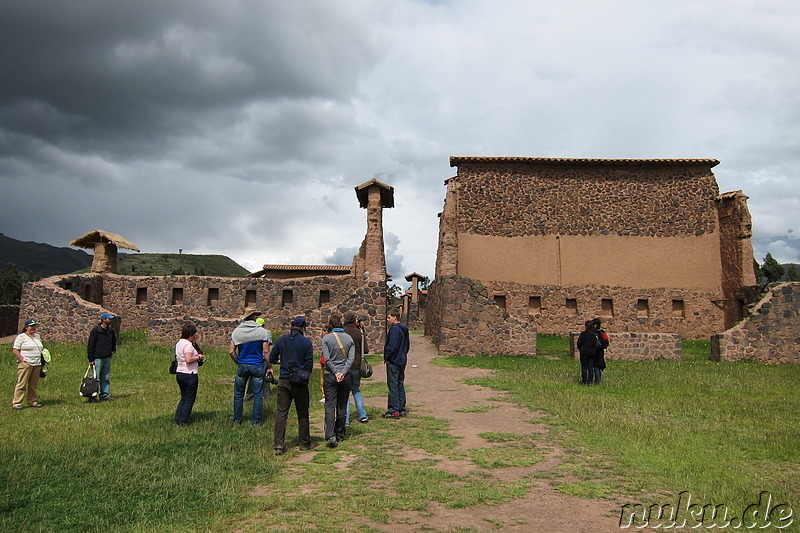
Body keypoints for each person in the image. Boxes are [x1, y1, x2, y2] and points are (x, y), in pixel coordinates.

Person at [269, 316, 315, 455]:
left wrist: (281, 362)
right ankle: (304, 443)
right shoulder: (306, 342)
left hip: (283, 380)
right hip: (299, 382)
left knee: (281, 413)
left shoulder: (281, 340)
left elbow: (271, 358)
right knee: (302, 412)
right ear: (303, 328)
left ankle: (278, 444)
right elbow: (309, 364)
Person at [228, 309, 273, 426]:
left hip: (243, 364)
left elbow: (231, 351)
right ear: (254, 317)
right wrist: (269, 366)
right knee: (258, 395)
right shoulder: (262, 332)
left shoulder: (237, 332)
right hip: (257, 364)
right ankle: (256, 421)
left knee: (238, 394)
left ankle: (237, 419)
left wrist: (239, 362)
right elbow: (266, 351)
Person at [321, 314, 355, 447]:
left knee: (330, 405)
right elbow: (350, 359)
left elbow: (327, 359)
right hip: (345, 376)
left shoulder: (326, 338)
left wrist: (335, 373)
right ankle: (340, 433)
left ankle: (330, 434)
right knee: (342, 404)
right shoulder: (349, 339)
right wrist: (343, 373)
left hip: (330, 375)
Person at [174, 322, 204, 426]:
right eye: (194, 334)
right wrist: (199, 357)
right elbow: (188, 359)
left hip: (180, 372)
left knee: (184, 398)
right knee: (189, 399)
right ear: (190, 335)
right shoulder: (188, 345)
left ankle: (177, 420)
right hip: (189, 373)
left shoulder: (179, 343)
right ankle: (183, 421)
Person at [12, 319, 45, 409]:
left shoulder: (37, 336)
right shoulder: (21, 337)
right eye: (31, 326)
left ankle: (33, 401)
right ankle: (17, 402)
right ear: (26, 327)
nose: (33, 328)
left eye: (34, 326)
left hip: (37, 364)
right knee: (22, 383)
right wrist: (22, 359)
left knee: (33, 385)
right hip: (26, 364)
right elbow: (15, 350)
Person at [382, 309, 409, 419]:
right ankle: (401, 407)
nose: (387, 320)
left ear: (395, 317)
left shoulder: (394, 330)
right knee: (399, 384)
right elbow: (407, 346)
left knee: (393, 385)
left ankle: (394, 410)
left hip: (394, 361)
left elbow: (392, 346)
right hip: (402, 360)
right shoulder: (404, 330)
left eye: (389, 317)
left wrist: (387, 357)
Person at [343, 312, 369, 424]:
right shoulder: (358, 333)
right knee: (356, 390)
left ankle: (346, 419)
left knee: (345, 393)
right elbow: (366, 350)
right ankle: (362, 414)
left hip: (344, 365)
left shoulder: (342, 332)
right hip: (356, 365)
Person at [87, 311, 117, 402]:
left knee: (105, 377)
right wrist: (91, 359)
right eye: (109, 319)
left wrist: (113, 350)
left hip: (107, 357)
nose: (111, 320)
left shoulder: (110, 331)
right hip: (97, 358)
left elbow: (113, 341)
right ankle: (92, 396)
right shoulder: (96, 331)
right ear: (104, 320)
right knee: (95, 377)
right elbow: (91, 345)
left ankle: (104, 395)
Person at [245, 317, 272, 404]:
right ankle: (266, 395)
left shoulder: (251, 332)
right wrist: (270, 363)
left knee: (252, 377)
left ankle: (250, 395)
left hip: (253, 357)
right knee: (264, 377)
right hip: (262, 358)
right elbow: (267, 347)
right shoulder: (267, 333)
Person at [577, 320, 597, 385]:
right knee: (590, 367)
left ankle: (584, 380)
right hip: (592, 353)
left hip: (584, 353)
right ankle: (590, 381)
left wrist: (580, 349)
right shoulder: (593, 335)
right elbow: (595, 344)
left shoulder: (583, 334)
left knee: (584, 367)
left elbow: (579, 343)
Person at [592, 317, 609, 384]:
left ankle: (597, 381)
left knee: (595, 366)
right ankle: (598, 379)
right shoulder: (603, 333)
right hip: (601, 351)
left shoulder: (593, 333)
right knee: (598, 366)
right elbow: (606, 342)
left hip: (594, 350)